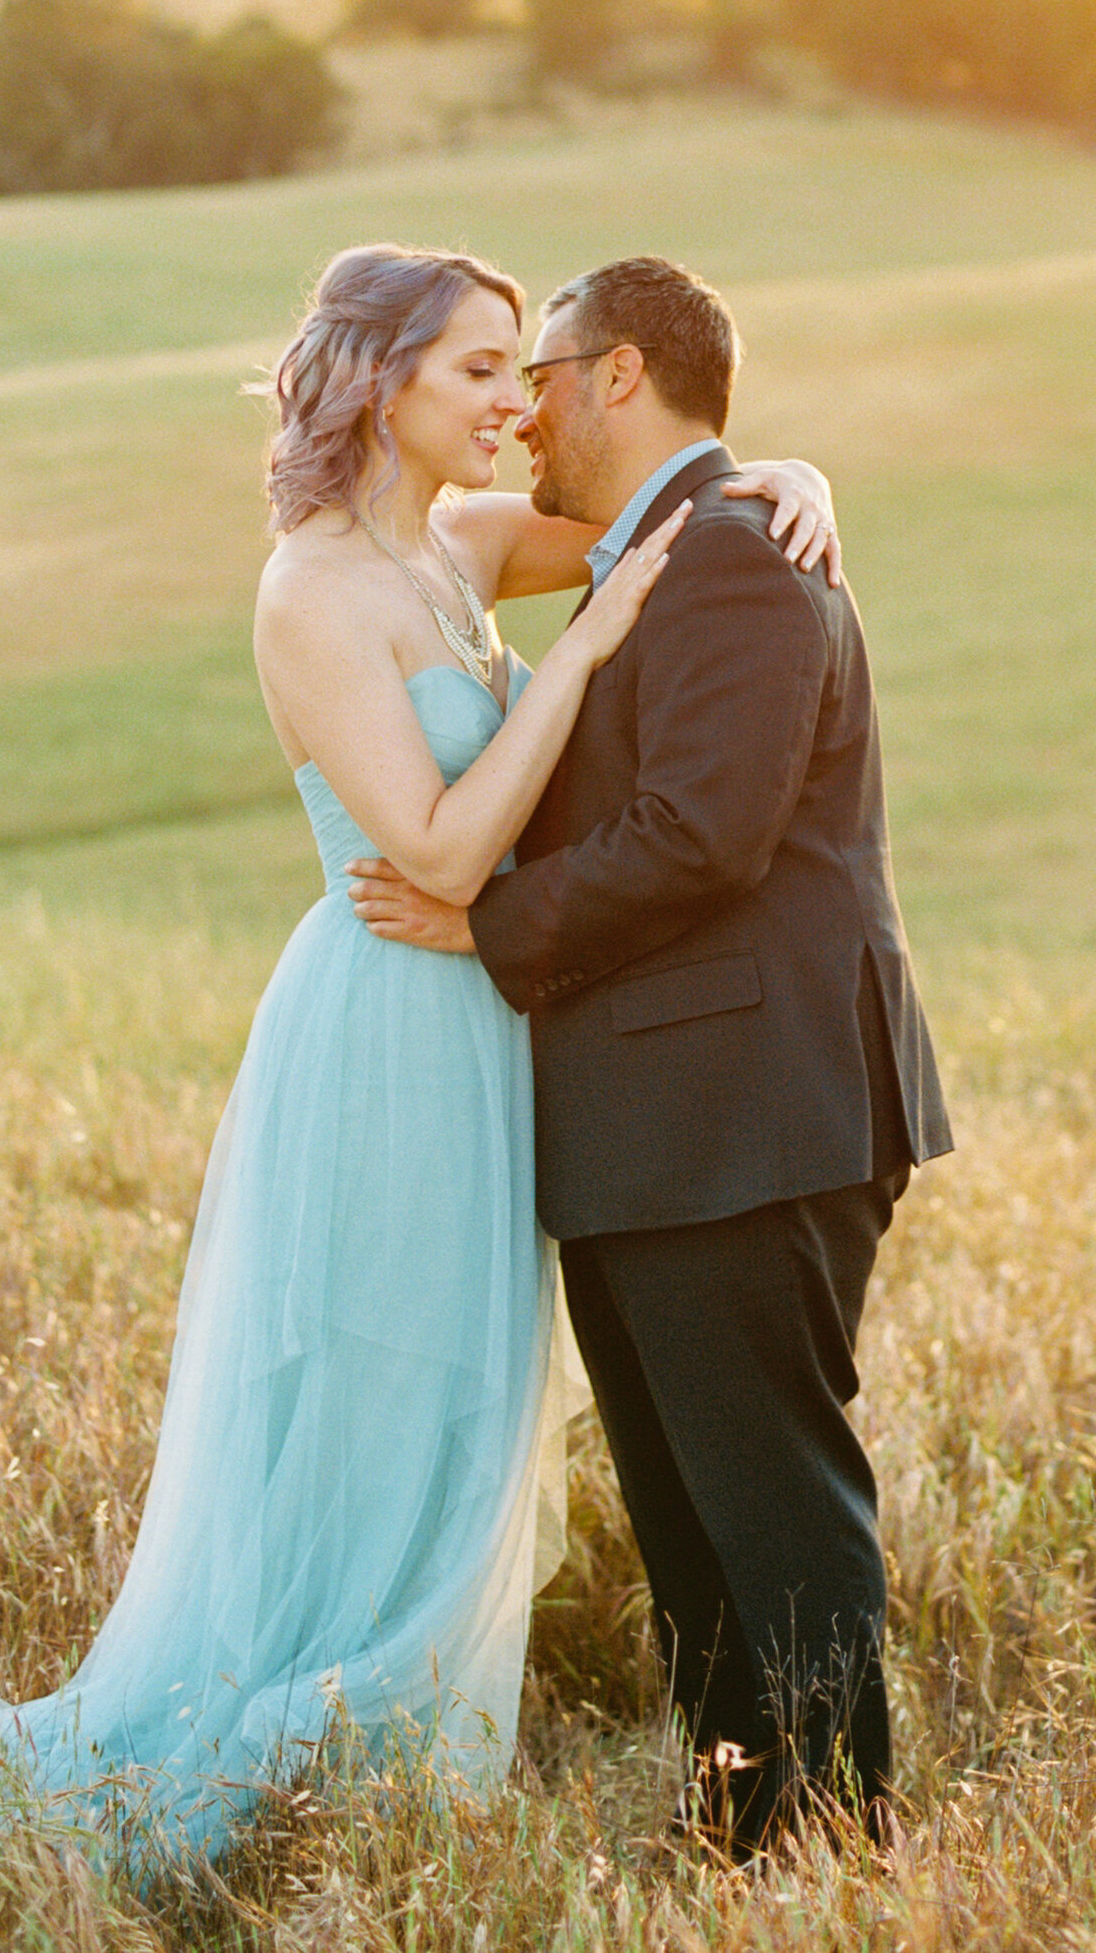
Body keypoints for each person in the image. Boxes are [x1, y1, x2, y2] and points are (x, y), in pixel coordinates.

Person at [0, 242, 843, 1874]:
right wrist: (570, 658)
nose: (516, 401)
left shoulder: (462, 544)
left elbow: (668, 515)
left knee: (469, 1398)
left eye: (525, 367)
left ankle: (412, 1759)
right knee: (369, 1381)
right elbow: (430, 849)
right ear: (381, 381)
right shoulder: (311, 588)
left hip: (493, 1033)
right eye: (481, 370)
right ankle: (292, 1749)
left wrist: (791, 471)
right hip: (384, 1017)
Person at [350, 253, 951, 1855]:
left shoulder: (738, 557)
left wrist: (483, 927)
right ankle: (749, 1834)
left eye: (540, 367)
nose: (524, 404)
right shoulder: (672, 543)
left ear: (621, 373)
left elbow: (705, 835)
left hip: (747, 1117)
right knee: (692, 1528)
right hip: (652, 1127)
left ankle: (846, 1841)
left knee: (774, 1502)